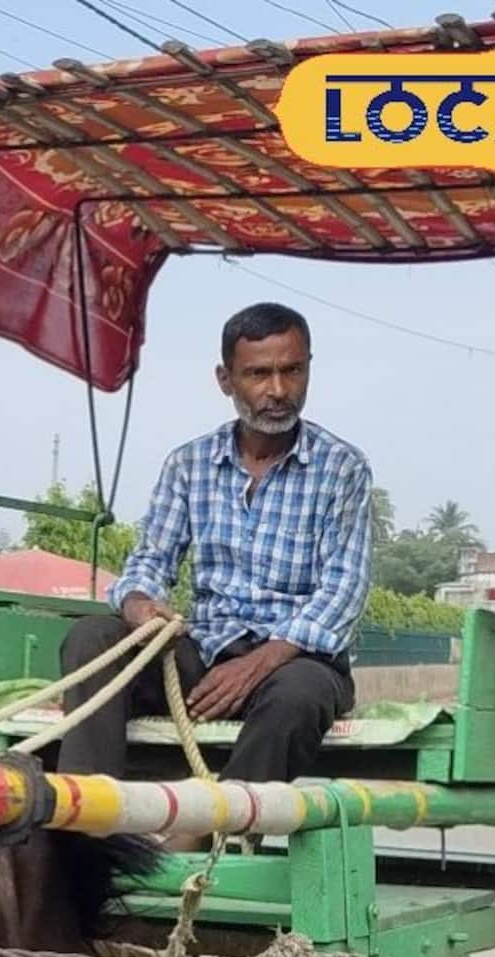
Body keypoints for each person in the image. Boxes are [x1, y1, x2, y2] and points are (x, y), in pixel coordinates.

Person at [56, 301, 372, 788]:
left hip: (294, 660)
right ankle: (89, 814)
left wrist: (259, 662)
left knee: (299, 696)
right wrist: (139, 605)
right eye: (259, 374)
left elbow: (343, 590)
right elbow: (150, 561)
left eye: (292, 371)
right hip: (203, 654)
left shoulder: (342, 468)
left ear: (309, 368)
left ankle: (219, 824)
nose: (278, 390)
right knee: (92, 638)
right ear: (226, 380)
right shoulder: (189, 464)